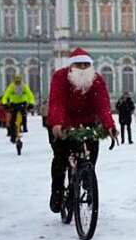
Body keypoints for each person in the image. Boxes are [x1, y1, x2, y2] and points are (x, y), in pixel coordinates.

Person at [46, 47, 117, 212]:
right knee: (60, 158)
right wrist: (57, 123)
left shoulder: (96, 80)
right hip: (63, 123)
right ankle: (57, 192)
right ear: (71, 66)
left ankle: (86, 178)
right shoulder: (60, 77)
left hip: (87, 124)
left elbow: (103, 105)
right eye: (79, 65)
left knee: (92, 153)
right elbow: (57, 102)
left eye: (86, 65)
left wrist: (109, 126)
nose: (83, 68)